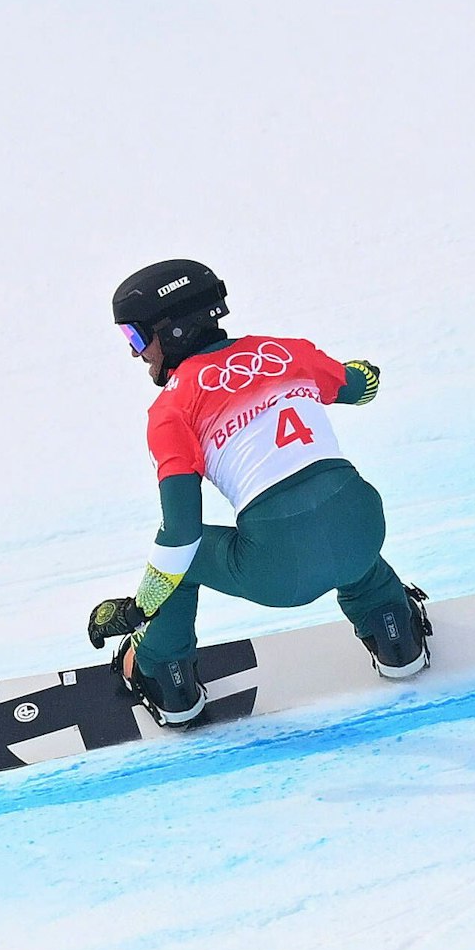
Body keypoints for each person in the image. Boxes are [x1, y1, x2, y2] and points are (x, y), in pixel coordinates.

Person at [86, 258, 431, 726]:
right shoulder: (287, 352)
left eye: (135, 337)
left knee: (182, 563)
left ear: (173, 331)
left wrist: (138, 608)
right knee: (333, 508)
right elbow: (358, 388)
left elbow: (182, 535)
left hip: (280, 571)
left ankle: (167, 677)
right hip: (365, 526)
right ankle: (395, 634)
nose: (135, 353)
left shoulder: (170, 411)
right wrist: (358, 373)